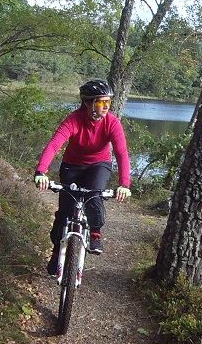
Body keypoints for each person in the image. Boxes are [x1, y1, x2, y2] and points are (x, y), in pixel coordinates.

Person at [34, 79, 131, 275]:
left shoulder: (112, 122)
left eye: (108, 102)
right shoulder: (74, 120)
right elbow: (54, 145)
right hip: (72, 166)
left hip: (99, 165)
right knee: (65, 211)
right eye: (101, 102)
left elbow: (121, 153)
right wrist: (40, 172)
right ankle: (56, 251)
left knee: (94, 195)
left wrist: (124, 184)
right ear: (87, 102)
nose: (106, 107)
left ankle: (95, 233)